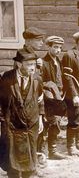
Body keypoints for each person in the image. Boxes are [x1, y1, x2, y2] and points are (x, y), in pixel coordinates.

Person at [0, 48, 44, 178]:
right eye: (29, 65)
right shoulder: (5, 78)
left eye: (34, 64)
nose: (33, 68)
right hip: (11, 124)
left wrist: (40, 118)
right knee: (12, 160)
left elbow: (40, 100)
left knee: (29, 158)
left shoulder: (37, 79)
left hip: (31, 124)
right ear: (19, 64)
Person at [38, 36, 67, 160]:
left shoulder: (58, 61)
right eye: (55, 47)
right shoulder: (42, 62)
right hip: (48, 98)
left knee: (57, 123)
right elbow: (40, 82)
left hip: (59, 96)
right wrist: (50, 87)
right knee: (46, 123)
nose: (58, 50)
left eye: (60, 48)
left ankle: (53, 150)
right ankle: (41, 151)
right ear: (48, 47)